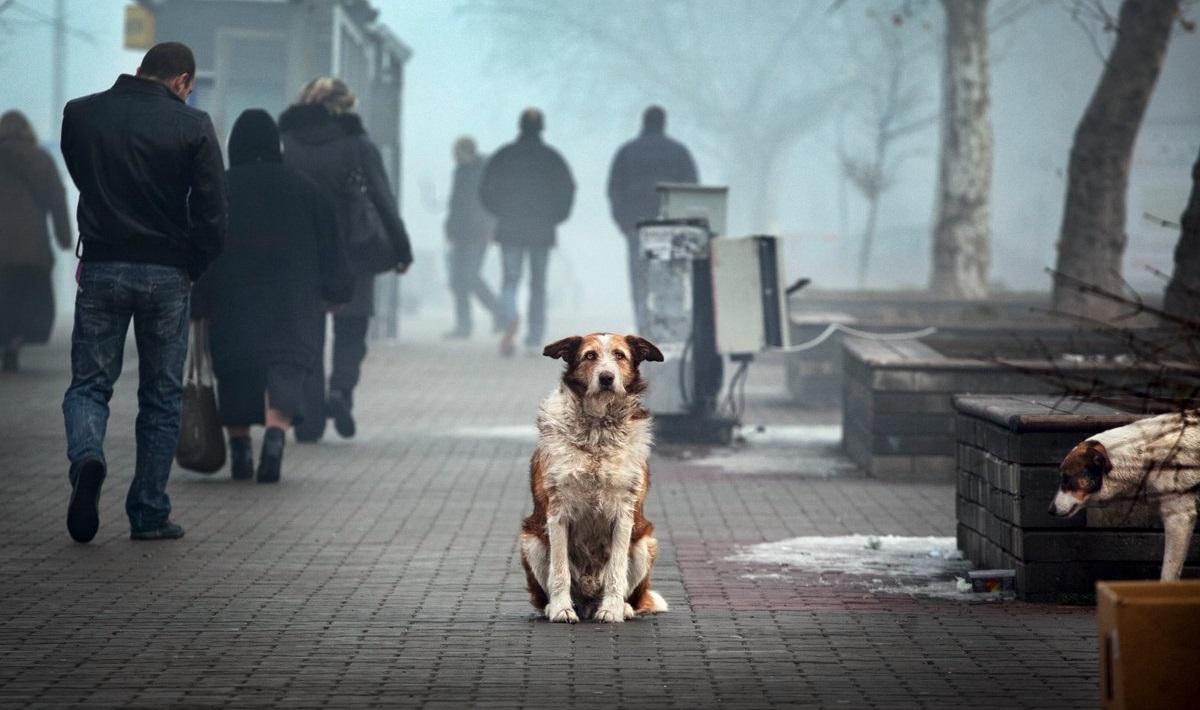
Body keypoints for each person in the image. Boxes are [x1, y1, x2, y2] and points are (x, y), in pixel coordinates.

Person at [60, 42, 226, 543]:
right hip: (167, 272)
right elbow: (213, 210)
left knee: (89, 384)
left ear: (140, 70)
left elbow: (82, 173)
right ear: (181, 81)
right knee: (160, 394)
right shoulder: (192, 126)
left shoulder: (82, 114)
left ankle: (87, 456)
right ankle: (149, 512)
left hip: (103, 263)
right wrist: (194, 264)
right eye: (189, 89)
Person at [192, 110, 352, 483]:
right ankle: (276, 437)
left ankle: (241, 449)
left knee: (234, 371)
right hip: (293, 303)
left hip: (232, 302)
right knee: (286, 367)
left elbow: (198, 248)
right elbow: (332, 249)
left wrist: (196, 302)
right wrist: (337, 292)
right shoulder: (307, 190)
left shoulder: (219, 189)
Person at [279, 77, 413, 442]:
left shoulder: (287, 142)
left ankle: (309, 420)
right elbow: (383, 199)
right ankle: (340, 391)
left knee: (308, 332)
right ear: (345, 105)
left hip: (303, 253)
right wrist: (401, 250)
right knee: (352, 329)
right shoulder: (358, 144)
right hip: (355, 250)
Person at [480, 108, 575, 356]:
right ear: (542, 128)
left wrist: (499, 211)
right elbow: (568, 189)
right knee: (538, 284)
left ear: (519, 126)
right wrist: (557, 217)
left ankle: (510, 317)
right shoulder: (552, 158)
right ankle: (534, 335)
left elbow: (485, 188)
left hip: (510, 227)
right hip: (541, 230)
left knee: (510, 279)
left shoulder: (504, 156)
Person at [606, 106, 698, 332]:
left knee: (640, 280)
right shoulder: (679, 152)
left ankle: (644, 326)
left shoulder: (626, 151)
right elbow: (692, 189)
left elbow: (614, 189)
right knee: (673, 276)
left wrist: (622, 222)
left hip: (636, 224)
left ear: (643, 122)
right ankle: (670, 325)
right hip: (672, 226)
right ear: (663, 122)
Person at [0, 110, 71, 372]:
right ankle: (14, 343)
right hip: (31, 250)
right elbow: (57, 200)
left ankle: (5, 338)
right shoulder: (40, 160)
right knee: (27, 302)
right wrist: (64, 238)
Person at [444, 136, 499, 339]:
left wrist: (491, 227)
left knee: (470, 275)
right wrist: (449, 228)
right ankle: (463, 326)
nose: (454, 156)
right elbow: (455, 203)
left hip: (478, 233)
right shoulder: (459, 171)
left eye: (456, 152)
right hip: (460, 234)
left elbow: (491, 203)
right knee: (457, 280)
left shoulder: (484, 172)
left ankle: (498, 312)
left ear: (466, 151)